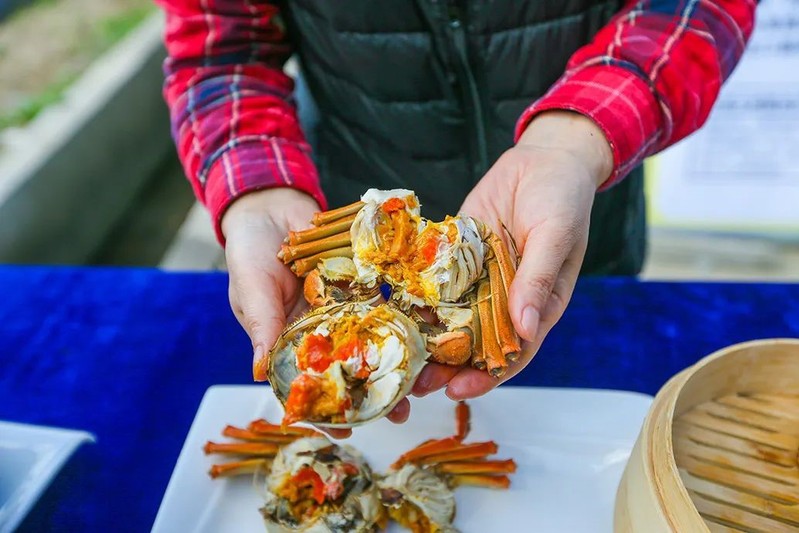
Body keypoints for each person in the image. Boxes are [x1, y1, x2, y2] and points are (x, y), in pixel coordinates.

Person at [156, 0, 756, 433]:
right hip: (341, 209)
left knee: (569, 362)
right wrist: (255, 192)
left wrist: (574, 140)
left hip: (578, 197)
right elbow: (222, 51)